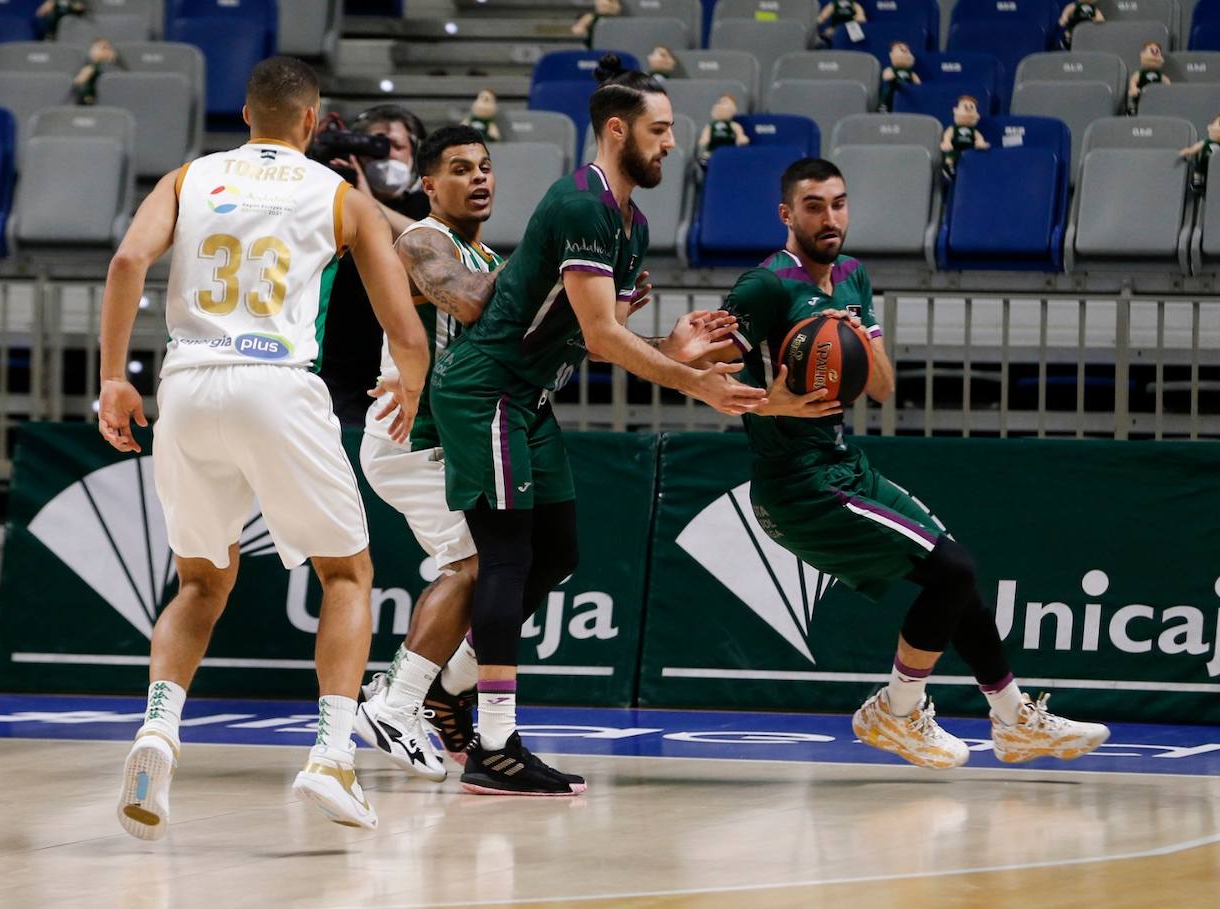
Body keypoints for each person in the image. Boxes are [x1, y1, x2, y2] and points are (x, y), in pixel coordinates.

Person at [96, 56, 429, 838]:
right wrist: (411, 381)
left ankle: (157, 731)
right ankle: (329, 755)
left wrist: (114, 377)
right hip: (278, 384)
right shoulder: (342, 197)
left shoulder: (189, 177)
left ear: (246, 116)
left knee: (201, 585)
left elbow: (125, 262)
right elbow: (401, 323)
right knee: (347, 573)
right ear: (311, 123)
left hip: (187, 382)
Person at [428, 54, 767, 796]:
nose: (672, 143)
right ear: (617, 131)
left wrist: (678, 349)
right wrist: (694, 383)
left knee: (558, 550)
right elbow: (608, 338)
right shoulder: (580, 204)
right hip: (486, 390)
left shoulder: (631, 222)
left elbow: (600, 330)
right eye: (659, 129)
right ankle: (492, 743)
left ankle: (449, 685)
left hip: (527, 397)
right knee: (508, 555)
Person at [714, 158, 1110, 770]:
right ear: (786, 214)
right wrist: (777, 401)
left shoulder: (851, 276)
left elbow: (882, 387)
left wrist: (858, 338)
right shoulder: (764, 286)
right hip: (798, 485)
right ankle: (896, 713)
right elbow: (710, 378)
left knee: (956, 577)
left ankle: (1013, 722)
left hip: (845, 464)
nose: (830, 217)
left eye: (839, 203)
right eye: (815, 205)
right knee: (951, 570)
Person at [351, 125, 506, 780]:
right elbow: (472, 303)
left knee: (522, 568)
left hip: (456, 437)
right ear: (430, 185)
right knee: (471, 565)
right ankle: (399, 699)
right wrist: (563, 279)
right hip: (409, 435)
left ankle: (431, 687)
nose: (478, 178)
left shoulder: (487, 255)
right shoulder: (423, 244)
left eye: (485, 167)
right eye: (461, 168)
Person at [319, 104, 431, 425]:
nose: (387, 156)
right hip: (338, 364)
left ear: (415, 153)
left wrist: (365, 200)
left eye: (397, 146)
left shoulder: (425, 202)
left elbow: (422, 244)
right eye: (375, 147)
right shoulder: (335, 199)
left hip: (401, 365)